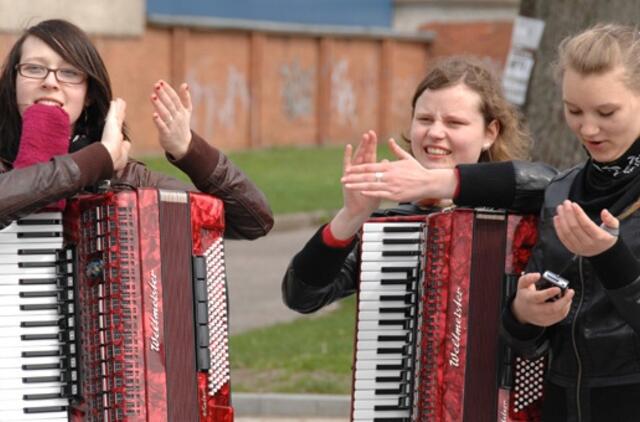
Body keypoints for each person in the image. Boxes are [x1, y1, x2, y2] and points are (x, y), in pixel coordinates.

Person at [282, 56, 557, 314]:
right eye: (425, 119)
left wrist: (436, 183)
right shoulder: (391, 229)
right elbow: (302, 298)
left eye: (454, 122)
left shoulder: (521, 208)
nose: (435, 133)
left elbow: (551, 185)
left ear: (490, 133)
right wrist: (350, 217)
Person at [0, 19, 273, 239]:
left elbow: (251, 222)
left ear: (89, 96)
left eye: (69, 73)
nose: (50, 82)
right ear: (13, 84)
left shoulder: (126, 179)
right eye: (34, 68)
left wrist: (189, 150)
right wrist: (99, 159)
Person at [501, 24, 640, 421]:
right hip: (565, 404)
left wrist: (611, 258)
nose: (587, 129)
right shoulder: (561, 190)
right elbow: (528, 341)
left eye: (606, 112)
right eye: (573, 110)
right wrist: (524, 313)